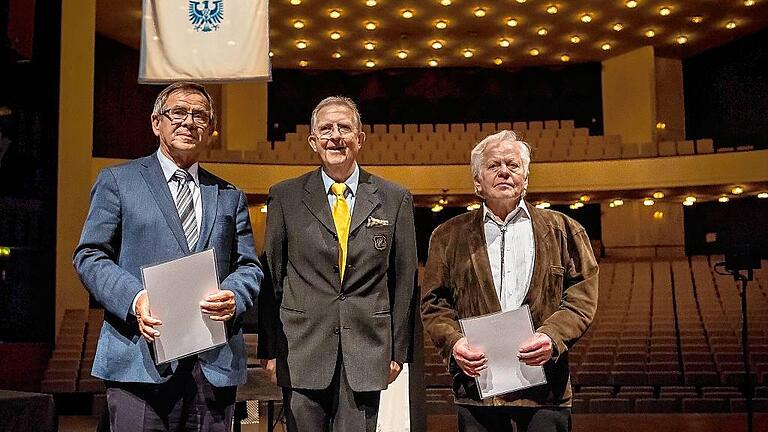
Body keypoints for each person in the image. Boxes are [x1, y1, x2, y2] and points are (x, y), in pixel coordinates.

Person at [74, 82, 262, 432]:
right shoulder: (118, 181)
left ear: (210, 130)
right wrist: (135, 299)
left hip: (212, 366)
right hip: (139, 363)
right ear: (156, 122)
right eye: (178, 112)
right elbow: (90, 255)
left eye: (200, 115)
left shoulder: (229, 195)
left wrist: (235, 295)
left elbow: (249, 266)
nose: (189, 122)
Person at [257, 96, 418, 432]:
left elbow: (404, 281)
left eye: (344, 128)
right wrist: (269, 348)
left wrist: (398, 351)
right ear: (313, 141)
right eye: (326, 129)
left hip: (367, 350)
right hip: (300, 349)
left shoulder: (394, 198)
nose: (335, 136)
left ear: (359, 139)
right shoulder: (284, 196)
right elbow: (270, 275)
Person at [421, 130, 598, 432]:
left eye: (513, 165)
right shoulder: (447, 236)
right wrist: (454, 343)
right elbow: (434, 302)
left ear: (526, 179)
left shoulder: (565, 230)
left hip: (545, 390)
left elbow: (581, 297)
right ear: (478, 182)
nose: (504, 171)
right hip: (477, 388)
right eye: (493, 165)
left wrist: (551, 337)